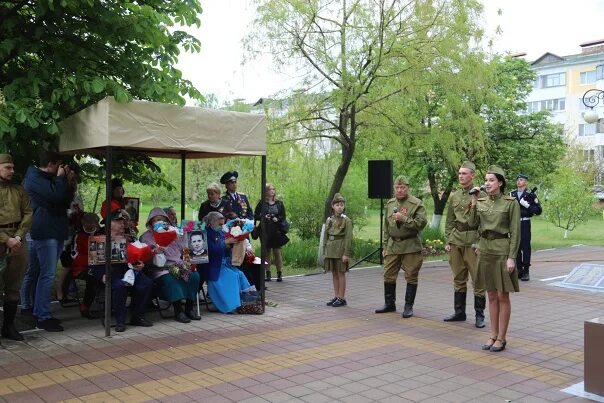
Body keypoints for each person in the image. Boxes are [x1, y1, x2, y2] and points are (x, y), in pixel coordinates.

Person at [468, 165, 520, 352]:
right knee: (490, 294)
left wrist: (511, 257)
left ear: (500, 183)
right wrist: (474, 200)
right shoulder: (481, 201)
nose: (487, 183)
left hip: (502, 251)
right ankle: (492, 334)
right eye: (486, 180)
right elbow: (472, 224)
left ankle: (502, 338)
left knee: (502, 295)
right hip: (485, 250)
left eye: (491, 180)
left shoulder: (510, 203)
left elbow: (515, 232)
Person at [21, 151, 72, 332]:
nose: (61, 169)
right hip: (45, 231)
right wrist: (60, 182)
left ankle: (37, 310)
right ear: (51, 164)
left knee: (39, 272)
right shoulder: (34, 178)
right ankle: (42, 316)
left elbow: (64, 200)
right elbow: (58, 197)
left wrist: (61, 187)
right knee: (46, 274)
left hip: (54, 230)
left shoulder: (47, 179)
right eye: (59, 165)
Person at [89, 211, 153, 332]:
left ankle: (137, 316)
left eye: (123, 222)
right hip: (108, 272)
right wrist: (100, 276)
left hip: (127, 270)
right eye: (118, 222)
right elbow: (93, 264)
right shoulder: (98, 238)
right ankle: (120, 321)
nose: (122, 224)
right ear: (109, 224)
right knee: (119, 286)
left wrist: (139, 264)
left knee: (146, 283)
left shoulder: (129, 237)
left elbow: (135, 255)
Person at [375, 175, 427, 318]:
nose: (399, 190)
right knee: (388, 275)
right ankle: (389, 304)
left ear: (407, 188)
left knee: (411, 276)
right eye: (397, 187)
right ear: (394, 188)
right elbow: (386, 226)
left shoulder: (416, 203)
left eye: (402, 187)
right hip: (393, 244)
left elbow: (421, 224)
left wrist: (404, 219)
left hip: (410, 245)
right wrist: (385, 245)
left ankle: (408, 307)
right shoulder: (390, 203)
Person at [443, 161, 486, 328]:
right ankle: (459, 312)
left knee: (478, 279)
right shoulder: (455, 195)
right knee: (458, 278)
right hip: (457, 241)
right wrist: (448, 240)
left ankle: (479, 315)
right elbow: (449, 220)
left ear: (472, 175)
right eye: (459, 173)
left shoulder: (481, 195)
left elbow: (485, 222)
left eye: (464, 173)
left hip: (473, 242)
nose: (461, 176)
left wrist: (480, 243)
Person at [140, 207, 201, 323]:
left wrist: (187, 260)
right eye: (156, 219)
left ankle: (189, 308)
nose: (160, 222)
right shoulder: (147, 236)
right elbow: (147, 254)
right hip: (161, 268)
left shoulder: (174, 233)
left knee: (194, 276)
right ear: (151, 222)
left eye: (162, 219)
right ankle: (178, 311)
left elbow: (185, 248)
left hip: (179, 264)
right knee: (171, 279)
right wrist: (155, 251)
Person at [0, 154, 33, 342]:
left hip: (18, 241)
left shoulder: (19, 190)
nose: (12, 171)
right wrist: (6, 239)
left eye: (12, 167)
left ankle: (8, 326)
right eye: (7, 167)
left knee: (14, 286)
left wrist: (18, 236)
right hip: (2, 241)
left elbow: (28, 213)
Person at [202, 211, 252, 313]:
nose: (222, 226)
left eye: (223, 224)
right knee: (232, 276)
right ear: (211, 222)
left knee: (240, 274)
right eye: (220, 224)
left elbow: (223, 248)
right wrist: (225, 242)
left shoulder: (220, 232)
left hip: (223, 263)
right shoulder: (205, 233)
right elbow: (210, 249)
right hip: (212, 266)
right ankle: (232, 305)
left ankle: (249, 302)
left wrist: (231, 244)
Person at [322, 193, 353, 307]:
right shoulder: (329, 219)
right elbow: (325, 236)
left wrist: (346, 253)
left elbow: (348, 238)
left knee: (341, 273)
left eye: (342, 205)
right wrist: (325, 251)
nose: (340, 207)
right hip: (331, 249)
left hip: (340, 249)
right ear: (332, 206)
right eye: (337, 205)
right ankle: (336, 296)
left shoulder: (346, 221)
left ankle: (342, 297)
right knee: (334, 273)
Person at [254, 183, 289, 282]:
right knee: (266, 252)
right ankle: (268, 274)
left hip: (276, 230)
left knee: (277, 252)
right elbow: (255, 215)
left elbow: (283, 216)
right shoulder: (261, 203)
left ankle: (279, 273)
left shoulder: (279, 203)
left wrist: (276, 218)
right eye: (270, 189)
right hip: (264, 230)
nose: (272, 191)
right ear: (266, 191)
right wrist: (263, 217)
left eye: (273, 189)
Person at [510, 174, 542, 281]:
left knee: (525, 247)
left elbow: (538, 211)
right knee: (516, 247)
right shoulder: (511, 194)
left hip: (525, 223)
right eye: (518, 179)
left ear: (526, 182)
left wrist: (527, 205)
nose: (519, 181)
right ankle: (519, 269)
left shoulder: (530, 195)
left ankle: (526, 271)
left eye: (521, 180)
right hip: (514, 223)